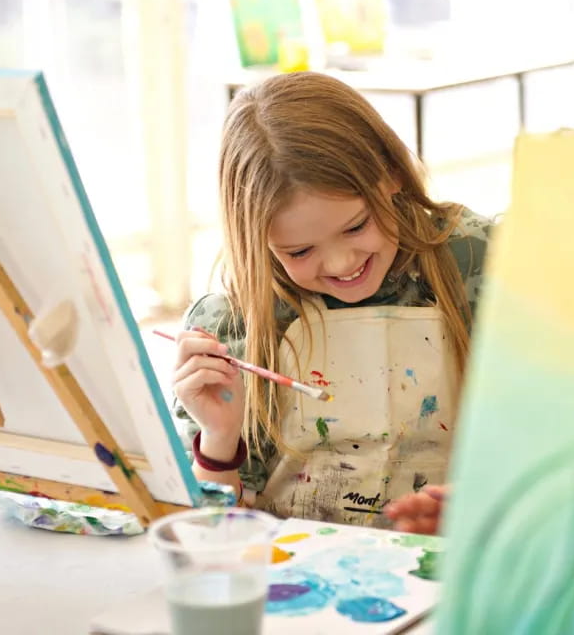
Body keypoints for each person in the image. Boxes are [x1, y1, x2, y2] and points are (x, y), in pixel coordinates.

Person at [171, 71, 491, 526]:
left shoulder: (478, 262)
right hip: (300, 576)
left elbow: (560, 437)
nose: (341, 263)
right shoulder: (233, 324)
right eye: (299, 251)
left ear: (393, 175)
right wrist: (219, 438)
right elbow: (205, 532)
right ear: (255, 242)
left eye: (357, 226)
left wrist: (491, 500)